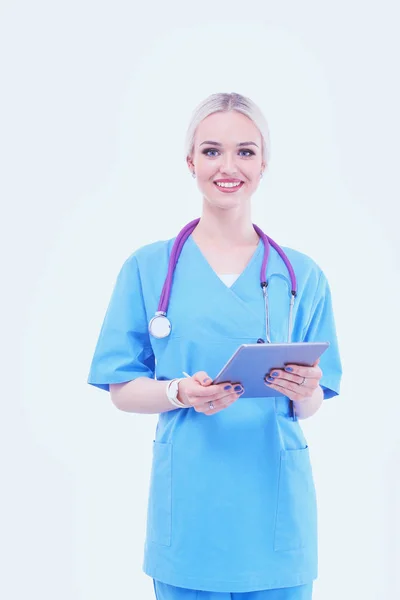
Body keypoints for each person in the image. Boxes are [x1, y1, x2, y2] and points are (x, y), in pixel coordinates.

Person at [87, 92, 342, 600]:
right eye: (211, 151)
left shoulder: (300, 275)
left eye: (246, 151)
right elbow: (121, 389)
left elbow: (312, 402)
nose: (229, 166)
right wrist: (179, 392)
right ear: (190, 162)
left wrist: (303, 388)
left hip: (275, 516)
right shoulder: (148, 268)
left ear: (264, 163)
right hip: (190, 510)